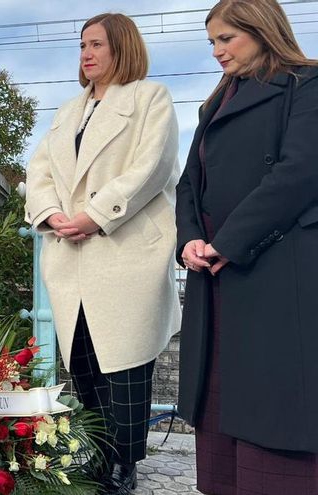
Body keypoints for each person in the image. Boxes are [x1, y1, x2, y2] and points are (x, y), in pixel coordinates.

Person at [24, 13, 181, 493]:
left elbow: (150, 167)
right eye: (82, 46)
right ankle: (94, 453)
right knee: (85, 361)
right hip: (71, 251)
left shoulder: (150, 98)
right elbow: (41, 170)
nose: (86, 54)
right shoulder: (68, 110)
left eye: (97, 45)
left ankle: (124, 464)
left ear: (122, 49)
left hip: (125, 249)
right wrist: (50, 214)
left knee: (127, 366)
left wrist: (96, 214)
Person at [176, 0, 318, 492]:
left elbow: (299, 174)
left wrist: (230, 242)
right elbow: (188, 184)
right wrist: (190, 239)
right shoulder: (214, 101)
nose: (217, 51)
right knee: (220, 417)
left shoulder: (306, 85)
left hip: (274, 272)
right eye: (211, 41)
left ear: (261, 31)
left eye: (226, 39)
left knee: (273, 416)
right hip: (218, 278)